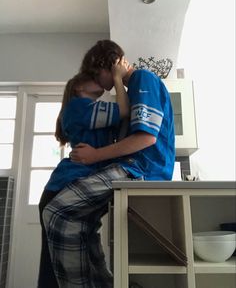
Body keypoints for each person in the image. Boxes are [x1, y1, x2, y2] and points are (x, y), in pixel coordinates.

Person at [43, 39, 175, 288]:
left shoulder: (142, 79)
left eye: (96, 72)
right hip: (133, 167)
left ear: (109, 65)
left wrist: (95, 155)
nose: (97, 80)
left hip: (140, 169)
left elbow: (146, 138)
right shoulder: (130, 89)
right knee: (82, 224)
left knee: (56, 212)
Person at [38, 65, 129, 288]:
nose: (98, 77)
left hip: (71, 186)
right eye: (92, 77)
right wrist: (118, 77)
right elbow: (124, 111)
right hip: (64, 188)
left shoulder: (91, 108)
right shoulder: (80, 107)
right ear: (79, 86)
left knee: (84, 256)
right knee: (57, 266)